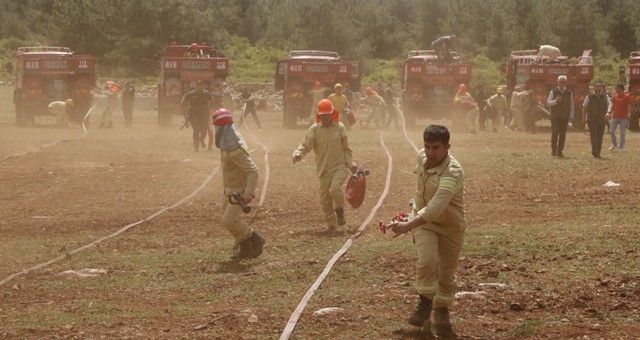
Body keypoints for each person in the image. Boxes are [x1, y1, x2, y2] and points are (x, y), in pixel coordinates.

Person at [388, 124, 465, 339]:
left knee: (447, 273)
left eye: (436, 148)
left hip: (450, 226)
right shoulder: (421, 157)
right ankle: (424, 303)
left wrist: (407, 226)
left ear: (447, 147)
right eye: (427, 146)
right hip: (424, 223)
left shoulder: (453, 172)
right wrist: (412, 210)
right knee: (427, 261)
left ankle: (441, 309)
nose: (431, 153)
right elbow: (420, 190)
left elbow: (436, 207)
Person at [292, 99, 358, 232]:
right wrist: (298, 153)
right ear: (319, 115)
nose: (325, 117)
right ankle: (331, 225)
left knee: (334, 189)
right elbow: (306, 145)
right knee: (325, 199)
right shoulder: (314, 130)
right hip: (323, 170)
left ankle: (340, 211)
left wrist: (351, 165)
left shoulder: (340, 127)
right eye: (323, 115)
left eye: (327, 114)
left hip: (339, 167)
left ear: (332, 113)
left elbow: (346, 148)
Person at [211, 108, 265, 259]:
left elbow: (253, 171)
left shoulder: (234, 148)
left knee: (228, 221)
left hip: (238, 192)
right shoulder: (227, 144)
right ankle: (245, 248)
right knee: (228, 221)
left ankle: (256, 238)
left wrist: (249, 194)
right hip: (228, 190)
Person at [546, 75, 574, 157]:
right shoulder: (553, 92)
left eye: (563, 82)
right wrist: (555, 101)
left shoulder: (569, 93)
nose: (562, 83)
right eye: (560, 81)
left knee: (562, 135)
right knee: (555, 133)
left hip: (565, 117)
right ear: (557, 82)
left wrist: (571, 118)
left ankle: (560, 151)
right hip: (555, 116)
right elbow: (548, 103)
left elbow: (571, 105)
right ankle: (553, 150)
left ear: (566, 83)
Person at [181, 80, 212, 152]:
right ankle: (196, 147)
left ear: (203, 86)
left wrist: (209, 109)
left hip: (204, 115)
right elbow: (184, 100)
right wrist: (184, 111)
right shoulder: (191, 94)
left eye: (201, 85)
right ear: (196, 86)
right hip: (194, 115)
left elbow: (212, 101)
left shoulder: (207, 94)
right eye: (198, 86)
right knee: (196, 130)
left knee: (204, 130)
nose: (200, 87)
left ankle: (201, 140)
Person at [582, 84, 611, 158]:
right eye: (597, 87)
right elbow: (584, 107)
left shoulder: (605, 96)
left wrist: (608, 112)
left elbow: (610, 104)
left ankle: (597, 151)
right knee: (594, 135)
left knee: (600, 136)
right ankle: (595, 150)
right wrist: (583, 118)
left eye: (600, 87)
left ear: (602, 88)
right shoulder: (589, 96)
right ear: (594, 88)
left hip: (602, 119)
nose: (598, 88)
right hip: (592, 119)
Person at [607, 84, 631, 152]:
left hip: (623, 117)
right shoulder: (615, 96)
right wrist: (609, 113)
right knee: (611, 131)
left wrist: (628, 113)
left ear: (620, 89)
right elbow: (612, 105)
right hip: (615, 117)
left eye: (617, 88)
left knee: (622, 133)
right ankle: (614, 144)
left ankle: (621, 146)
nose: (616, 90)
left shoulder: (626, 96)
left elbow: (629, 105)